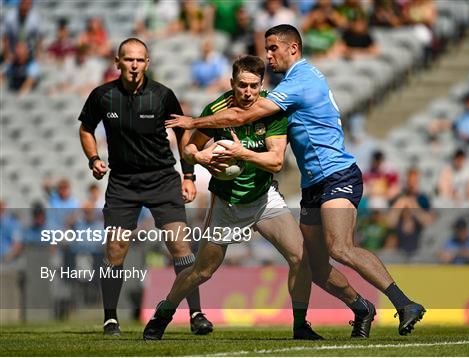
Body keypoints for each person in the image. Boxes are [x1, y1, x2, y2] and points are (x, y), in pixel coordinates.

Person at [166, 24, 425, 336]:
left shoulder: (301, 79)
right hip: (313, 184)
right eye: (267, 48)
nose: (268, 54)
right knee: (313, 267)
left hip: (337, 173)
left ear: (293, 49)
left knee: (340, 247)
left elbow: (242, 116)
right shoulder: (293, 81)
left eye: (273, 48)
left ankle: (404, 303)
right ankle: (361, 307)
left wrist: (193, 121)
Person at [144, 55, 378, 341]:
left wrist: (242, 154)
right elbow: (189, 149)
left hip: (265, 200)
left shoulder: (272, 109)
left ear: (261, 85)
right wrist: (202, 157)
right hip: (227, 204)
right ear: (232, 83)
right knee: (202, 271)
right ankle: (164, 312)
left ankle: (301, 325)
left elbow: (276, 162)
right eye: (242, 85)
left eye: (254, 86)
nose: (248, 92)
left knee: (300, 257)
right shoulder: (216, 110)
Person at [78, 38, 212, 336]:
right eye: (128, 60)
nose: (134, 65)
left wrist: (188, 176)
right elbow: (86, 128)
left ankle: (197, 313)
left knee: (180, 247)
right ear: (117, 62)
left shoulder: (163, 95)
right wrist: (93, 159)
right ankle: (110, 317)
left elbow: (183, 134)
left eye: (139, 60)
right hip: (123, 182)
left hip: (162, 179)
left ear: (147, 63)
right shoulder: (102, 96)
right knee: (115, 249)